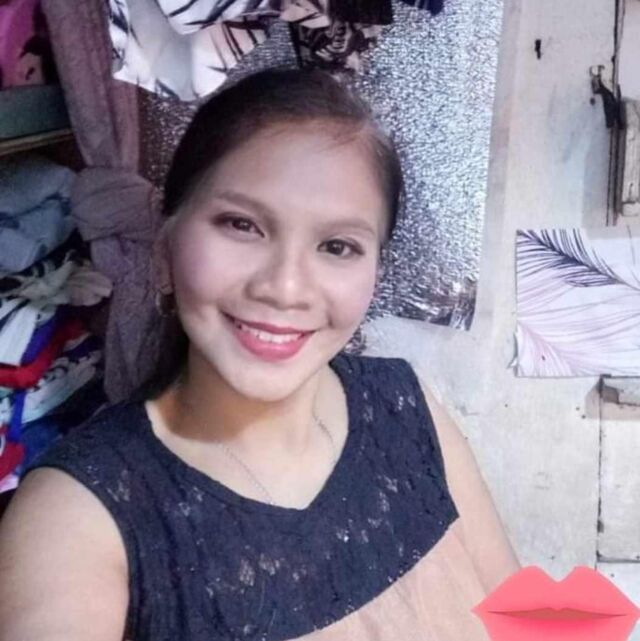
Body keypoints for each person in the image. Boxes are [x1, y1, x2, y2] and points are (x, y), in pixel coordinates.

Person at [0, 68, 519, 641]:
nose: (285, 288)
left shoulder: (404, 405)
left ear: (375, 270)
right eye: (242, 225)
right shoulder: (75, 514)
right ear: (167, 247)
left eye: (337, 246)